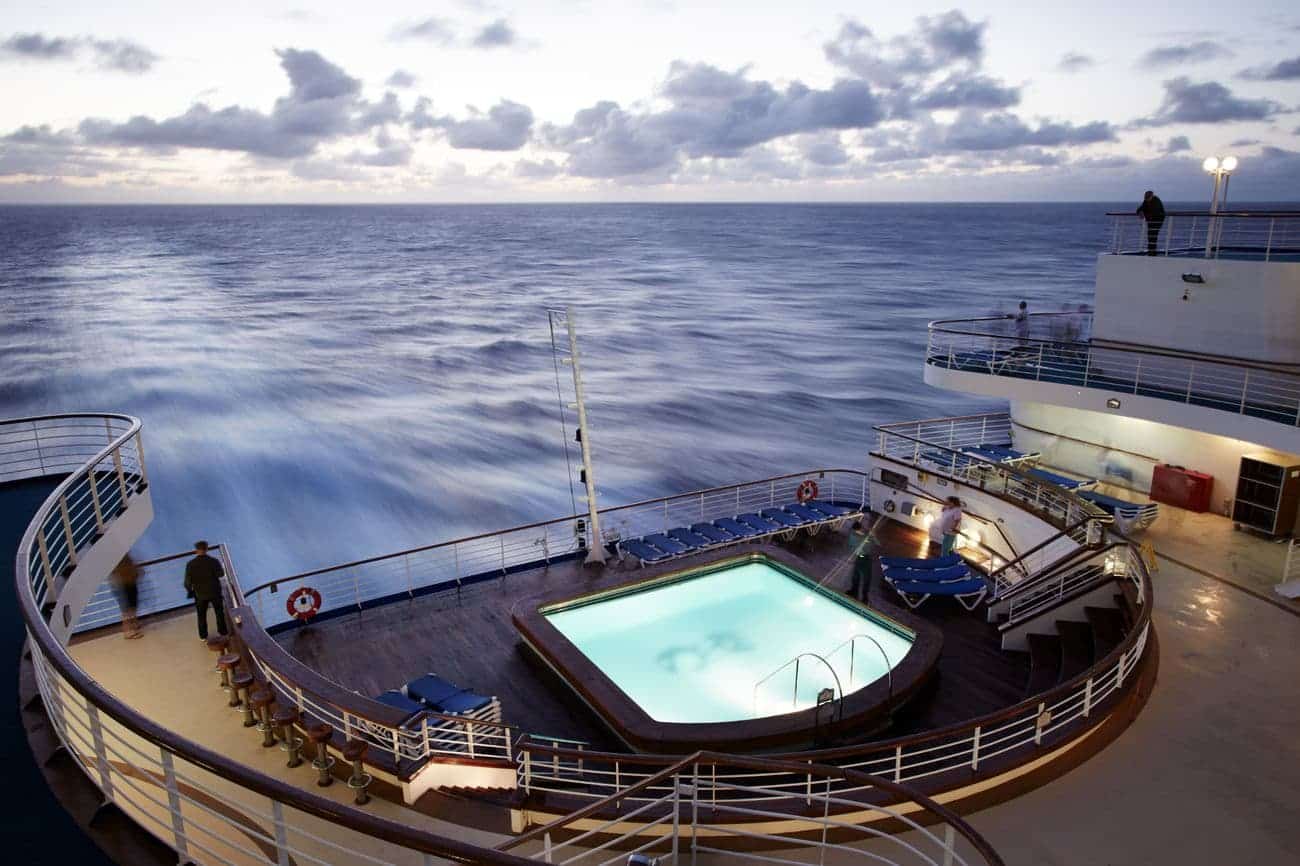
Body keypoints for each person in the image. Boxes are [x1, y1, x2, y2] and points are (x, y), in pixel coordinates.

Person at [184, 540, 228, 641]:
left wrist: (191, 591)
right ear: (207, 549)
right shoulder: (214, 561)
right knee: (219, 612)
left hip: (200, 594)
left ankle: (203, 636)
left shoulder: (190, 564)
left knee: (201, 615)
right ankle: (223, 632)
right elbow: (221, 574)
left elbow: (187, 583)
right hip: (214, 591)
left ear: (196, 550)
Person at [847, 519, 881, 600]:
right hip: (859, 558)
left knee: (866, 578)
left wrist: (873, 536)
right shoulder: (853, 536)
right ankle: (854, 591)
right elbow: (852, 547)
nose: (858, 532)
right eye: (856, 531)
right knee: (856, 576)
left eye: (859, 531)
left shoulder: (868, 535)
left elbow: (878, 544)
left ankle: (865, 596)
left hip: (867, 559)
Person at [111, 553, 142, 639]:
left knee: (131, 607)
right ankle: (128, 631)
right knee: (127, 609)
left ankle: (133, 626)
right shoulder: (119, 558)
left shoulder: (122, 556)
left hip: (129, 583)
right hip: (125, 585)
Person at [1136, 190, 1165, 256]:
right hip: (1150, 221)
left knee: (1153, 236)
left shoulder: (1156, 201)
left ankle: (1153, 253)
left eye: (1148, 198)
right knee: (1150, 236)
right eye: (1146, 198)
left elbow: (1155, 211)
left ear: (1152, 196)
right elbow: (1140, 208)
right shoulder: (1146, 201)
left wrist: (1145, 213)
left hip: (1157, 221)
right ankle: (1151, 252)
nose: (1147, 200)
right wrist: (1140, 212)